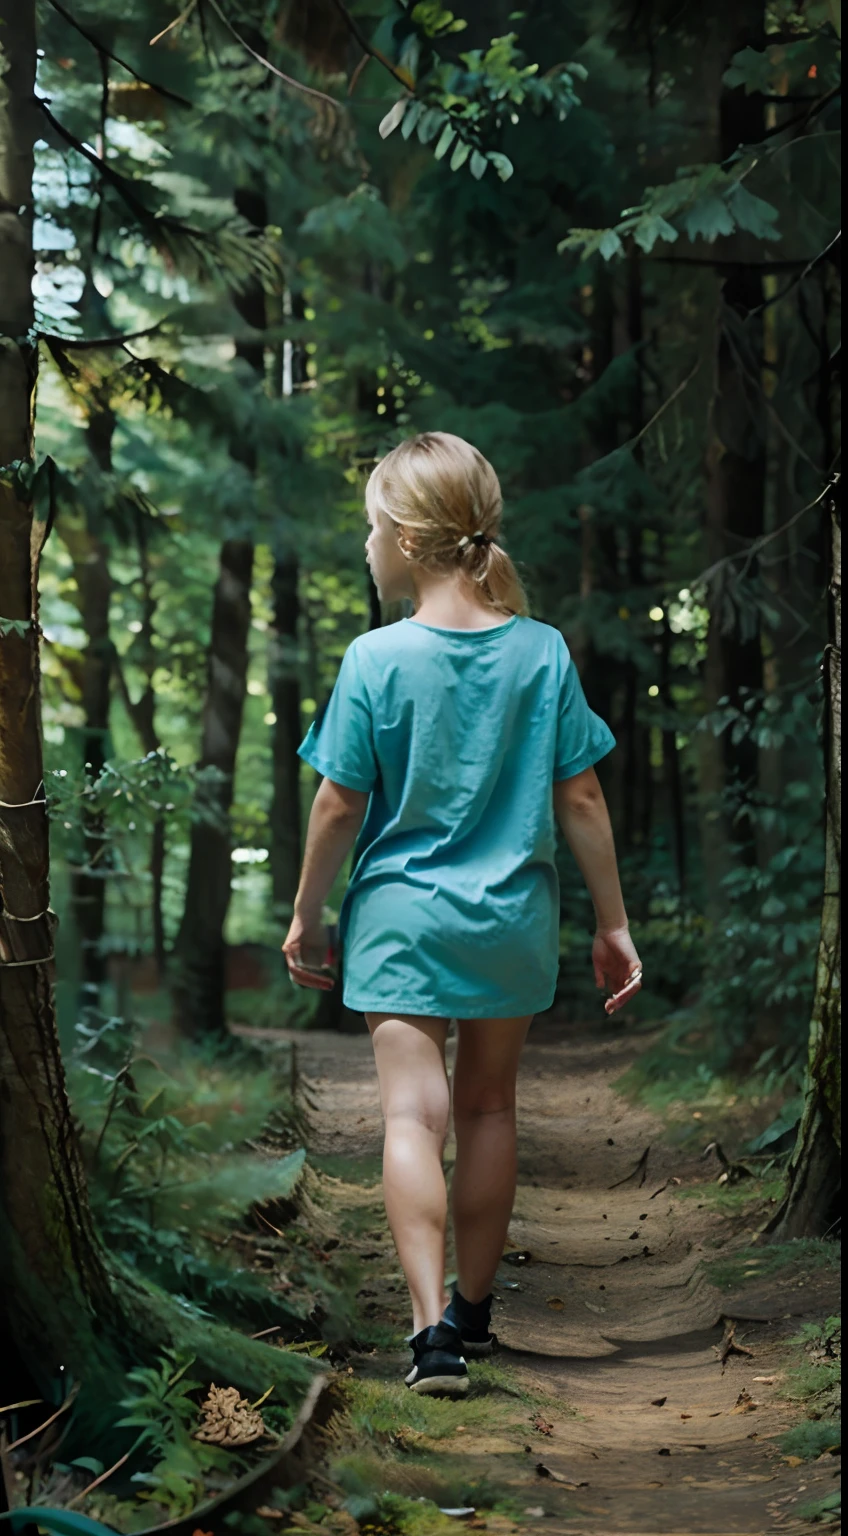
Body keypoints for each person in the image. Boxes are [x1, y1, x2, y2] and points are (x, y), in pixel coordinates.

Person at [282, 431, 642, 1397]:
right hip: (511, 922)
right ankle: (474, 1312)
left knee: (412, 1114)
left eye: (369, 528)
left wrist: (308, 915)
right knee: (489, 1109)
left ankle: (428, 1333)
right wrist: (613, 924)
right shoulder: (541, 652)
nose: (365, 545)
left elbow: (337, 804)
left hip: (399, 918)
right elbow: (582, 802)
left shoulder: (375, 657)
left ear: (403, 536)